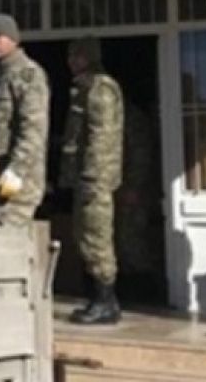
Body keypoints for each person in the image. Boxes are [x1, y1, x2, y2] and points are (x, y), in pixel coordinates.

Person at [59, 37, 124, 324]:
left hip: (95, 179)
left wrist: (92, 175)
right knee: (84, 236)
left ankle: (106, 301)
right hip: (85, 179)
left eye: (79, 55)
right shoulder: (83, 88)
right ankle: (97, 299)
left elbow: (101, 136)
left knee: (96, 237)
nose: (73, 61)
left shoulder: (100, 88)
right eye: (71, 55)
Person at [0, 14, 49, 227]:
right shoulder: (1, 76)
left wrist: (17, 170)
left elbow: (33, 129)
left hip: (20, 183)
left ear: (14, 39)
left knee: (8, 236)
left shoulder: (28, 74)